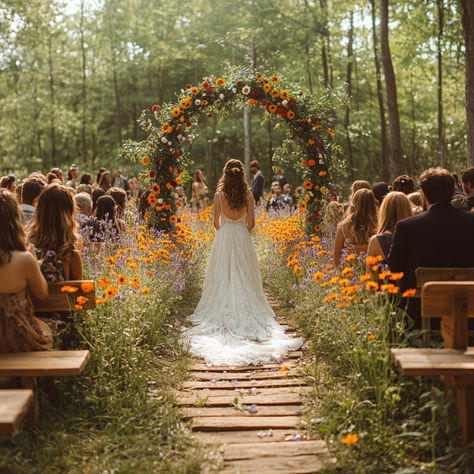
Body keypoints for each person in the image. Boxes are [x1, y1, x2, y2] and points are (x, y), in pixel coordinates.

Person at [183, 159, 301, 367]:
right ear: (241, 174)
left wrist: (227, 232)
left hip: (225, 235)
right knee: (245, 273)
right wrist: (240, 232)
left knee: (223, 272)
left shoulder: (219, 196)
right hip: (242, 235)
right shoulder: (247, 195)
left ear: (225, 174)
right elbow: (252, 223)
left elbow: (215, 223)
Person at [388, 167, 474, 329]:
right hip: (469, 313)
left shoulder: (407, 227)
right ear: (452, 193)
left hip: (420, 316)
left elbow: (394, 270)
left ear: (424, 195)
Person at [0, 189, 53, 353]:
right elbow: (42, 294)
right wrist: (33, 261)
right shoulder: (24, 260)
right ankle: (29, 380)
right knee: (47, 332)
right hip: (19, 339)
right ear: (15, 220)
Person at [28, 183, 83, 282]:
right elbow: (79, 295)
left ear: (40, 212)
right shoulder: (71, 257)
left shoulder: (27, 250)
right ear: (69, 215)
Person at [334, 188, 378, 267]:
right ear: (373, 204)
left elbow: (337, 258)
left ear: (353, 203)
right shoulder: (379, 225)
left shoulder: (343, 227)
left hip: (350, 274)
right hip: (372, 273)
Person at [367, 192, 412, 262]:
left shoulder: (376, 241)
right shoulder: (415, 237)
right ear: (408, 210)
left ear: (384, 212)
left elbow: (369, 271)